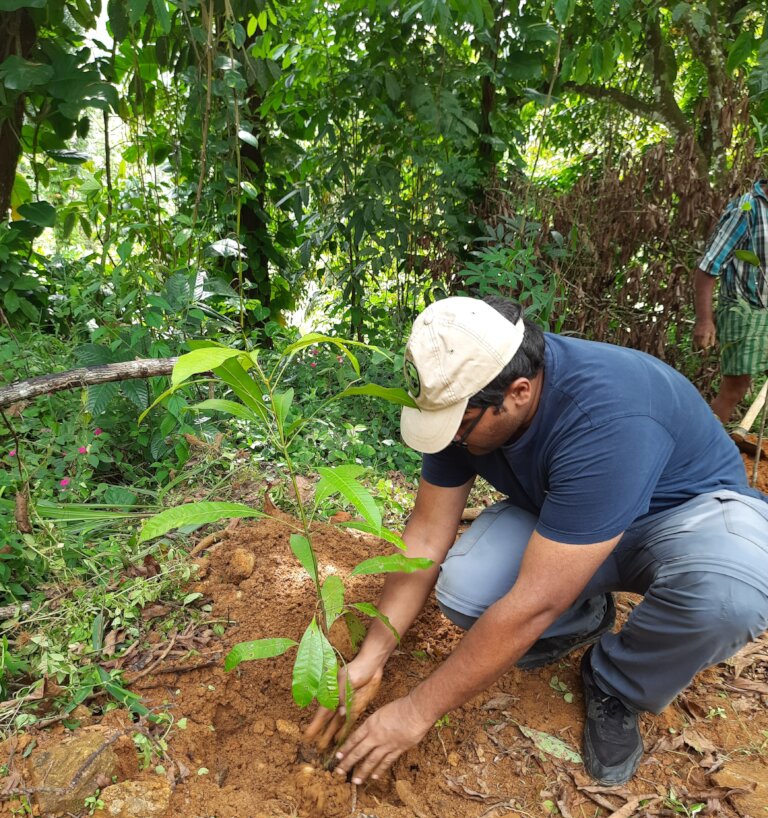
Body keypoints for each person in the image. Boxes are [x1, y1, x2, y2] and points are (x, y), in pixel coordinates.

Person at [305, 296, 768, 786]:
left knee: (728, 597)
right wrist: (370, 658)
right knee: (466, 589)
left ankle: (618, 683)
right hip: (571, 523)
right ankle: (585, 616)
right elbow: (424, 535)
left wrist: (413, 713)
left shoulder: (604, 417)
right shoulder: (468, 403)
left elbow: (532, 603)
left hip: (681, 518)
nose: (450, 439)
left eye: (459, 426)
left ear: (520, 392)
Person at [694, 179, 768, 424]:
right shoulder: (747, 209)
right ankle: (700, 452)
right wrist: (705, 321)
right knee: (735, 387)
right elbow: (709, 265)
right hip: (743, 307)